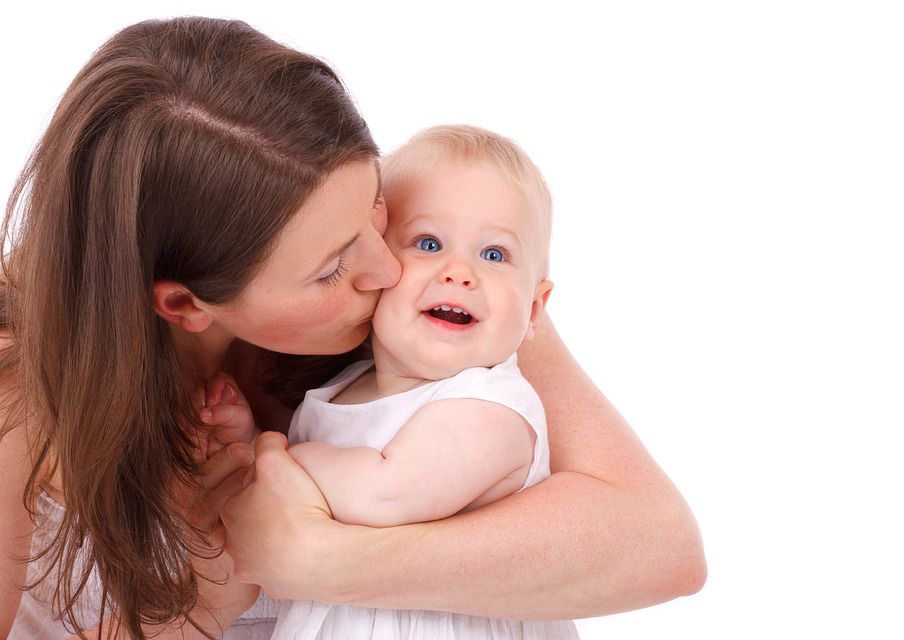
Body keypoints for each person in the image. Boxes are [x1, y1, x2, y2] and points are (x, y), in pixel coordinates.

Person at [0, 15, 705, 640]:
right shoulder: (16, 387)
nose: (387, 268)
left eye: (376, 207)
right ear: (184, 304)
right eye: (332, 268)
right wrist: (196, 611)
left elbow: (660, 546)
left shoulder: (438, 278)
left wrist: (321, 560)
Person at [205, 125, 578, 638]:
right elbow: (307, 490)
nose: (459, 272)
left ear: (534, 309)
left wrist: (271, 457)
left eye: (494, 255)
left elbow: (381, 495)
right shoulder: (344, 387)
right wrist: (243, 441)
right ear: (377, 265)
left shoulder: (489, 408)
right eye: (428, 243)